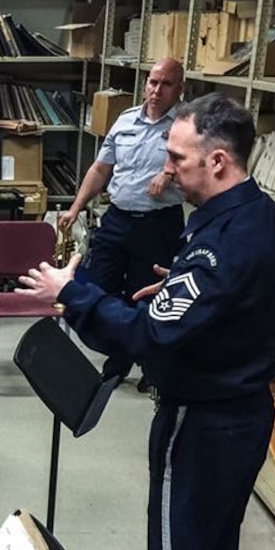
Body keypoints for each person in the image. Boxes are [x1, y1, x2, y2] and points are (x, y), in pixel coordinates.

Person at [17, 93, 275, 550]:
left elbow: (150, 337)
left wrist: (75, 293)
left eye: (178, 159)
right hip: (245, 411)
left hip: (203, 418)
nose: (166, 171)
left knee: (179, 547)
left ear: (218, 161)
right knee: (215, 543)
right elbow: (223, 302)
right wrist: (181, 290)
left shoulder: (218, 244)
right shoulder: (263, 219)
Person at [58, 58, 187, 387]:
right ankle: (120, 350)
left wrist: (169, 171)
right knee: (101, 286)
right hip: (117, 217)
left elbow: (198, 161)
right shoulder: (126, 119)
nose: (156, 90)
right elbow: (101, 169)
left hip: (157, 223)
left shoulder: (188, 125)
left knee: (146, 294)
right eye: (152, 82)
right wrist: (75, 207)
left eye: (166, 84)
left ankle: (141, 362)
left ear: (180, 88)